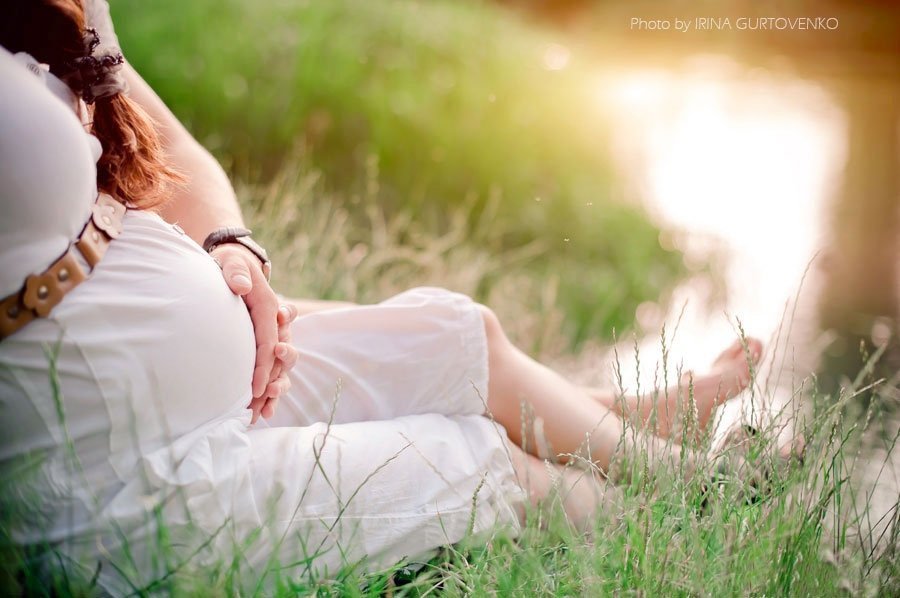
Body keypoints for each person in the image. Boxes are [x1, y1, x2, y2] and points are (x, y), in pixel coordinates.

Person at [0, 0, 762, 592]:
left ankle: (682, 471)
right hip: (120, 484)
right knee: (481, 460)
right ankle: (693, 525)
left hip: (184, 389)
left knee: (454, 336)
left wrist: (232, 248)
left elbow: (159, 141)